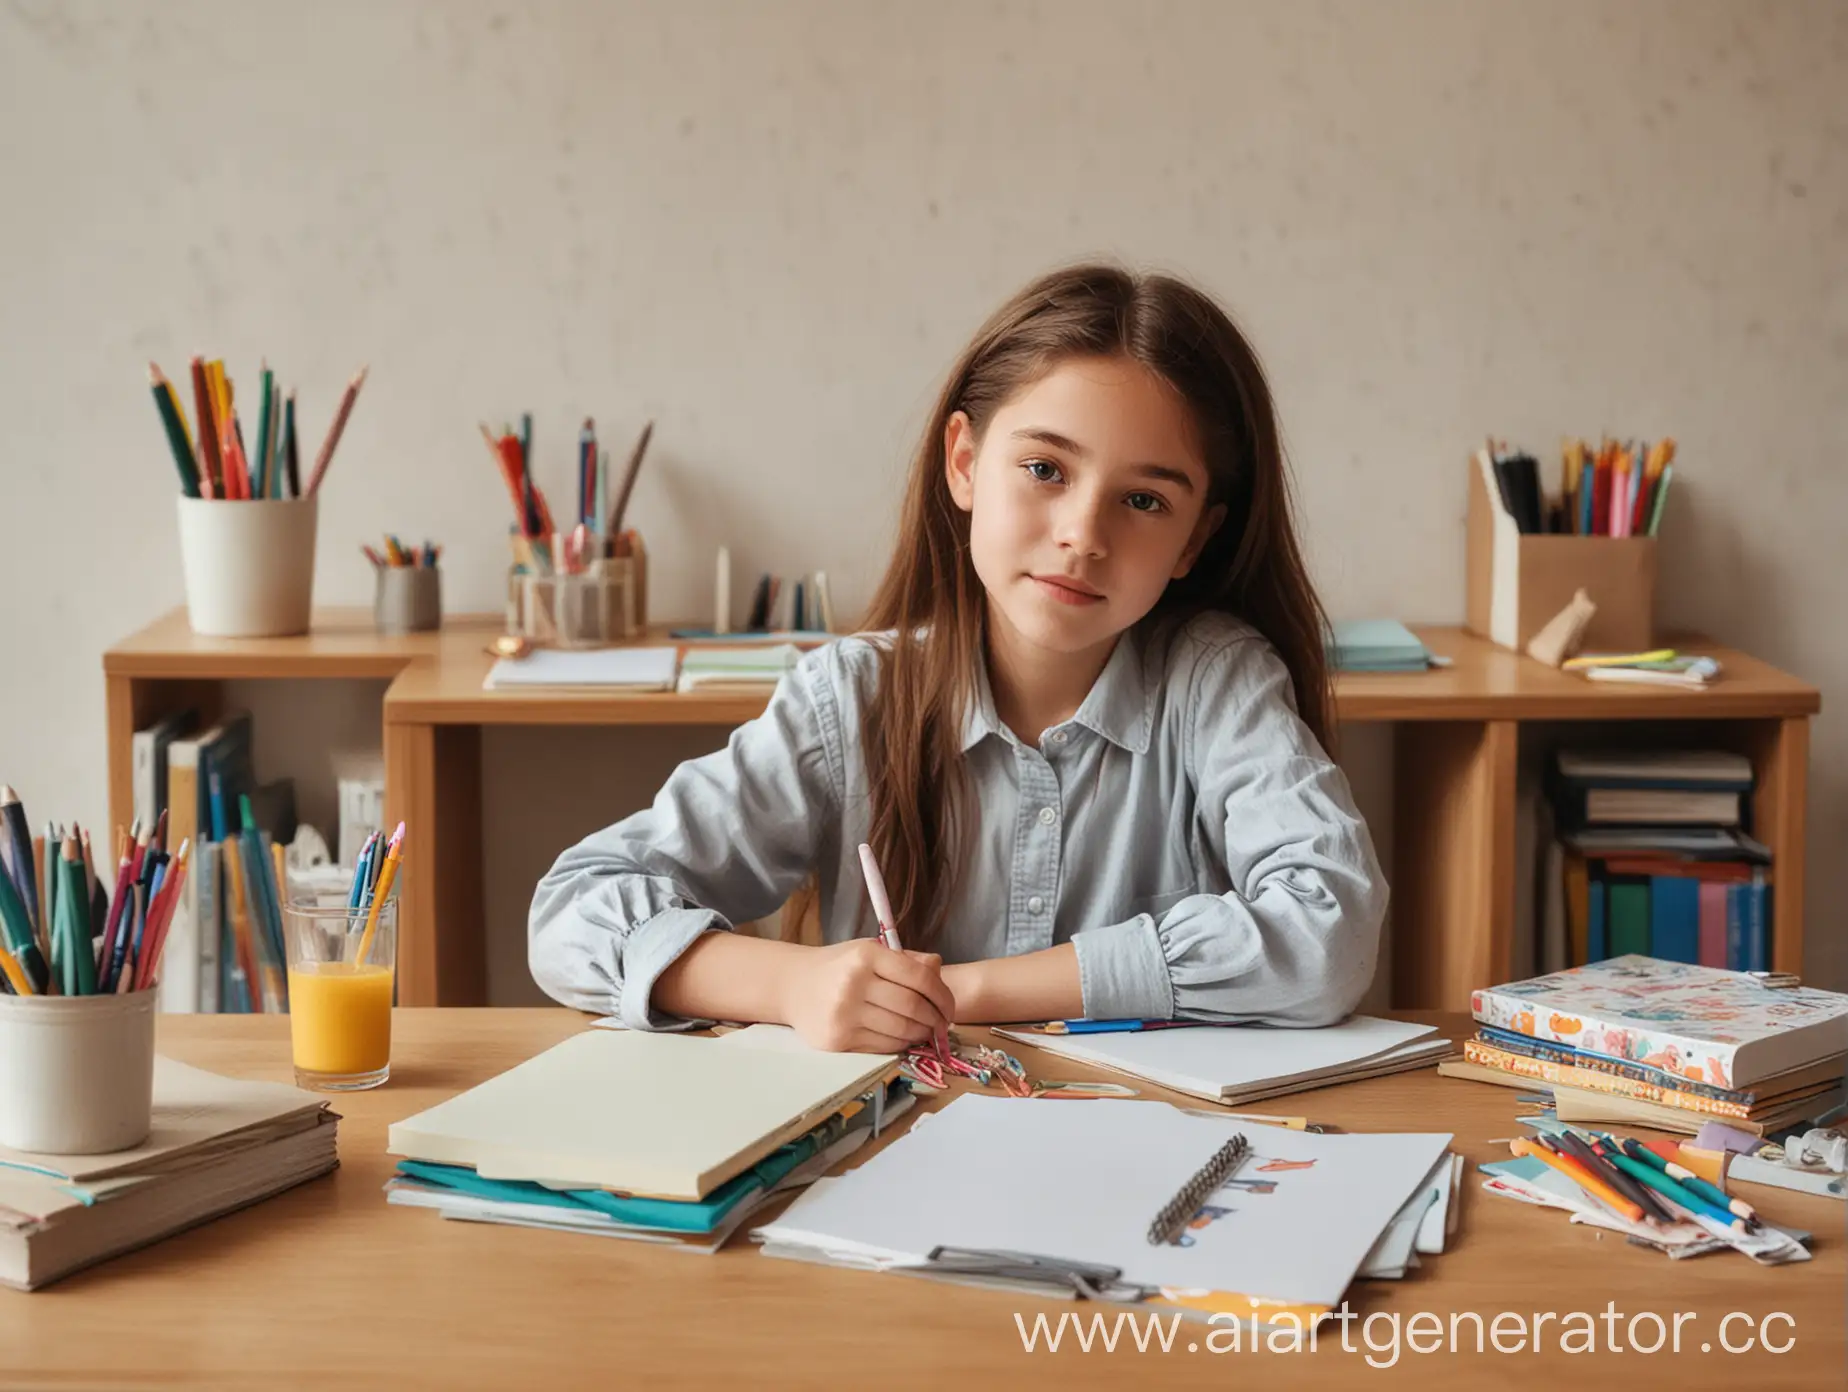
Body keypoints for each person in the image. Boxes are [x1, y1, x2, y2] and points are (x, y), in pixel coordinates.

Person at [530, 263, 1385, 1050]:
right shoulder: (852, 698)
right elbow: (573, 910)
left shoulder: (1215, 683)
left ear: (1196, 536)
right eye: (1046, 468)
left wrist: (963, 993)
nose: (1084, 535)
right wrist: (795, 986)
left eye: (1142, 499)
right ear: (966, 463)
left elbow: (1330, 930)